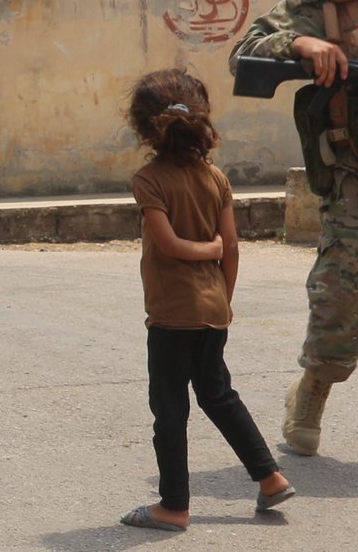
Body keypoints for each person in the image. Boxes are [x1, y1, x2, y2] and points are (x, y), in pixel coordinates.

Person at [119, 69, 294, 532]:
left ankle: (173, 506)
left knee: (170, 408)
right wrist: (223, 299)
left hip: (172, 316)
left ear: (143, 127)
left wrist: (207, 251)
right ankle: (270, 477)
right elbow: (232, 247)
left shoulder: (148, 180)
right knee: (218, 394)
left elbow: (171, 244)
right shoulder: (215, 177)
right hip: (213, 310)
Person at [230, 0, 358, 457]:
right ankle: (312, 389)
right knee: (340, 300)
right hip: (355, 175)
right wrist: (303, 47)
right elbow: (246, 51)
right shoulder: (318, 1)